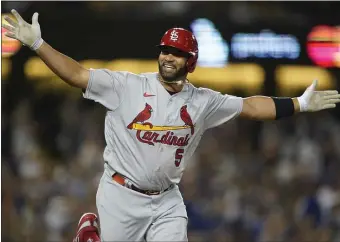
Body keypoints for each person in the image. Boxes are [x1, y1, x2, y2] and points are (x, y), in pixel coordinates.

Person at [3, 9, 340, 242]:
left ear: (190, 62)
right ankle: (93, 230)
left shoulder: (203, 100)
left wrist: (298, 103)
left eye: (176, 53)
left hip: (166, 200)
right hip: (121, 194)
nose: (168, 57)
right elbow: (76, 74)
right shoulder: (127, 86)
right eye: (165, 50)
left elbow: (251, 106)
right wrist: (37, 44)